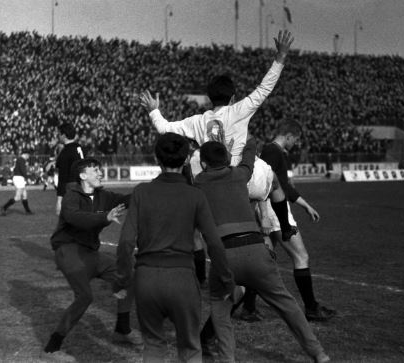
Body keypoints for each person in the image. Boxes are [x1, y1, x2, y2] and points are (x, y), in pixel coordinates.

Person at [139, 30, 296, 241]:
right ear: (232, 98)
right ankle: (285, 227)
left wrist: (153, 110)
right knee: (274, 181)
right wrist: (281, 56)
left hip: (212, 184)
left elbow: (163, 128)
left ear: (209, 99)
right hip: (243, 178)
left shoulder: (197, 121)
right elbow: (264, 88)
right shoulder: (239, 110)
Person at [195, 136, 330, 363]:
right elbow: (249, 156)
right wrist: (247, 140)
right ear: (227, 159)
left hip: (224, 255)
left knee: (220, 308)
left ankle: (227, 359)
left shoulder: (198, 182)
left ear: (204, 164)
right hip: (256, 249)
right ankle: (319, 353)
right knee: (287, 304)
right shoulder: (239, 175)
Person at [114, 132, 235, 363]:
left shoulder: (141, 192)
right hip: (182, 279)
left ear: (156, 159)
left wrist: (121, 280)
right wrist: (227, 280)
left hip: (147, 279)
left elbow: (126, 242)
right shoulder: (195, 195)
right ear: (187, 159)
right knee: (190, 348)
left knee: (154, 345)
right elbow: (214, 243)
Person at [44, 157, 140, 359]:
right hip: (68, 251)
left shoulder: (103, 196)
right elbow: (75, 218)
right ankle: (53, 344)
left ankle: (122, 329)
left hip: (90, 253)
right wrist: (104, 218)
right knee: (85, 297)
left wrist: (148, 192)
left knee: (129, 274)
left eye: (99, 169)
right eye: (95, 170)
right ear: (82, 175)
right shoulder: (71, 195)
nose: (99, 173)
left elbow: (127, 200)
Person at [244, 120, 336, 322]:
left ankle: (248, 307)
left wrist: (305, 205)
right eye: (297, 139)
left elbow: (281, 184)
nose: (297, 143)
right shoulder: (273, 151)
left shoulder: (272, 151)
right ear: (288, 136)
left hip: (271, 210)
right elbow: (271, 184)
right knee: (301, 256)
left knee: (265, 261)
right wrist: (267, 214)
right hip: (275, 212)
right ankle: (311, 308)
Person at [55, 122, 85, 215]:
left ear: (63, 135)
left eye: (59, 134)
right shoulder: (79, 148)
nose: (58, 136)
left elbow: (62, 177)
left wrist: (59, 199)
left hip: (71, 190)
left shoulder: (65, 152)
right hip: (82, 188)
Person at [0, 151, 33, 215]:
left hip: (19, 178)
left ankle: (28, 211)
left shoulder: (19, 159)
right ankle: (4, 208)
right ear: (25, 154)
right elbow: (23, 170)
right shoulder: (21, 160)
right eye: (28, 156)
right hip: (19, 178)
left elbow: (17, 169)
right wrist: (27, 178)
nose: (28, 157)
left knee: (25, 195)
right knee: (17, 197)